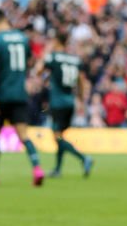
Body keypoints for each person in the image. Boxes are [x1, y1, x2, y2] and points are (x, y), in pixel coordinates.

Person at [0, 10, 44, 187]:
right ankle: (37, 168)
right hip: (20, 93)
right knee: (23, 135)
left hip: (3, 93)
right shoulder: (22, 38)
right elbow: (29, 62)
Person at [35, 31, 93, 178]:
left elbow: (38, 71)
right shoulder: (74, 59)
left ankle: (84, 158)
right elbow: (80, 81)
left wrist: (46, 53)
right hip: (70, 101)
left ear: (56, 41)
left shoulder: (54, 57)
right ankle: (58, 169)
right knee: (60, 135)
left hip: (57, 101)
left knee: (57, 137)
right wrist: (80, 99)